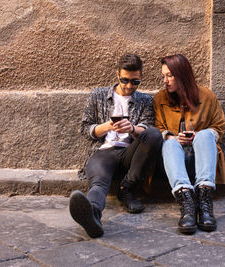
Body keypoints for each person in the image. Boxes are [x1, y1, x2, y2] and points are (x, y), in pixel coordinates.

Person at [69, 54, 162, 238]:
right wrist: (106, 126)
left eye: (135, 82)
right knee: (98, 183)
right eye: (124, 80)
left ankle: (125, 189)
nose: (129, 86)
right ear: (117, 74)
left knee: (154, 134)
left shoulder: (145, 100)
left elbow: (148, 128)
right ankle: (93, 215)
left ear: (140, 78)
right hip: (103, 153)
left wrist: (132, 128)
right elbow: (84, 129)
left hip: (130, 153)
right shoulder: (98, 95)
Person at [153, 54, 225, 235]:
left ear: (183, 75)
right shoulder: (159, 99)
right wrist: (171, 137)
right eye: (163, 76)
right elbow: (157, 129)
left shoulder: (207, 96)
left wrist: (197, 137)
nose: (165, 81)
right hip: (174, 165)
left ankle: (204, 202)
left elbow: (218, 128)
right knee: (169, 143)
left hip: (203, 163)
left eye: (169, 76)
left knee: (204, 135)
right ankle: (186, 202)